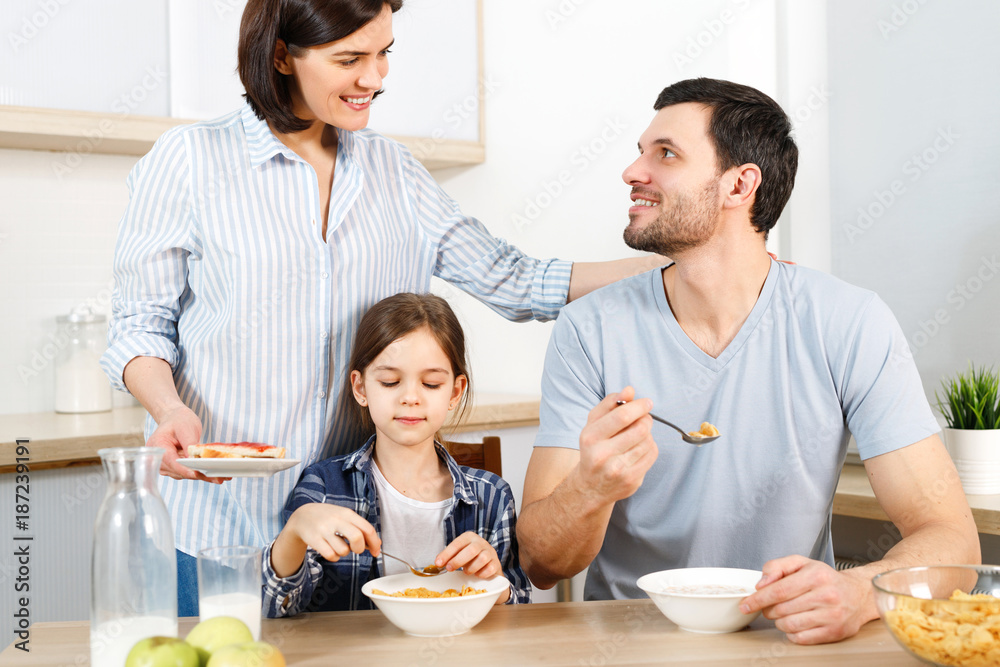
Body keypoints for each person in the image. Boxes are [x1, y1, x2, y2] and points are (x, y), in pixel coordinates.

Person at [100, 0, 659, 616]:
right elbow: (139, 325)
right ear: (283, 55)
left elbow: (516, 280)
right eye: (350, 58)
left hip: (354, 541)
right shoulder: (188, 161)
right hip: (218, 528)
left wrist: (677, 265)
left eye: (383, 52)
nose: (375, 77)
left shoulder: (397, 174)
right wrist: (167, 406)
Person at [516, 78, 980, 645]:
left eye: (665, 154)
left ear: (740, 185)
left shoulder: (849, 322)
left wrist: (859, 592)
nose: (632, 172)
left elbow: (953, 541)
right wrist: (589, 488)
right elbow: (541, 565)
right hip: (630, 644)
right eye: (641, 151)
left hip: (788, 642)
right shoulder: (589, 329)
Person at [262, 292, 530, 614]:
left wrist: (495, 583)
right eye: (390, 381)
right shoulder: (324, 487)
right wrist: (293, 533)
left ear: (455, 392)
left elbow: (518, 613)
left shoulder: (492, 497)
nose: (410, 397)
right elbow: (274, 609)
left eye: (431, 384)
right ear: (360, 388)